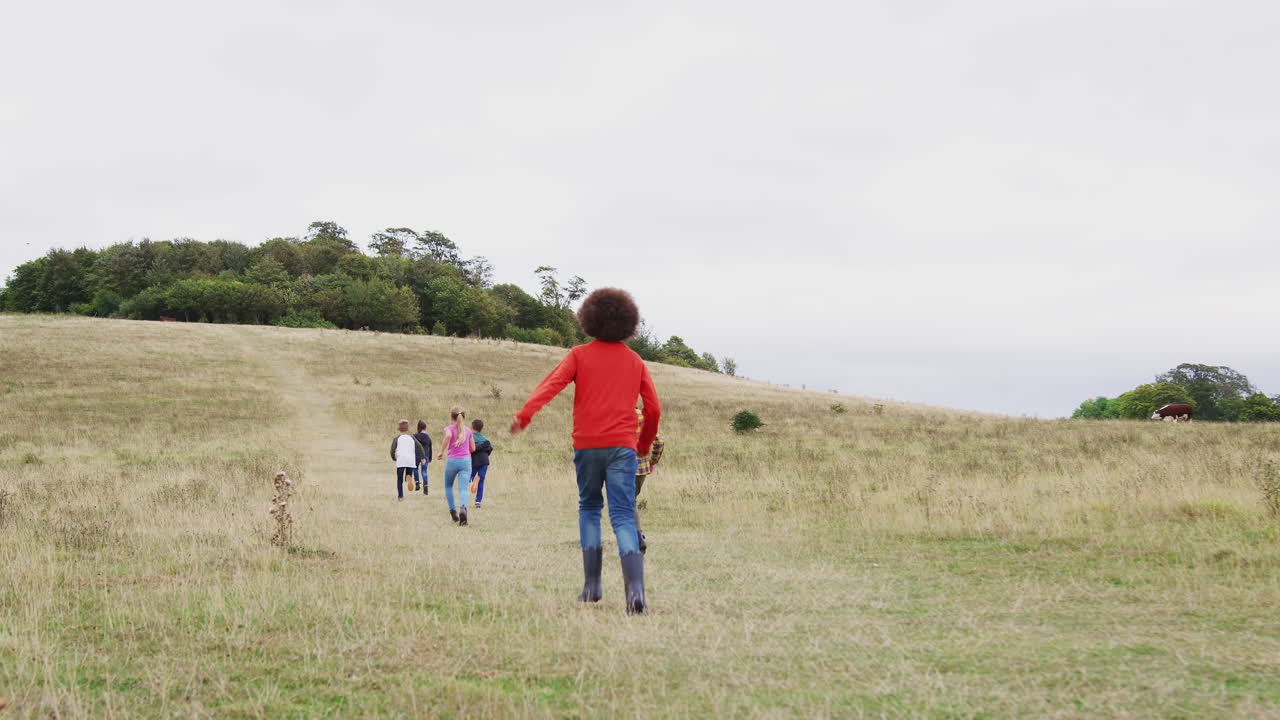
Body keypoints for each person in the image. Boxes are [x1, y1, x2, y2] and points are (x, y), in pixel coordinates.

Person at [510, 287, 661, 615]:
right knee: (622, 515)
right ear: (628, 323)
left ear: (588, 318)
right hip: (623, 448)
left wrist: (525, 414)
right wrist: (644, 445)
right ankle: (635, 592)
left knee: (590, 508)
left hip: (588, 446)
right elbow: (654, 409)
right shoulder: (635, 361)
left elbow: (551, 385)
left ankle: (592, 586)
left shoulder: (579, 355)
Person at [634, 408, 665, 554]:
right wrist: (652, 461)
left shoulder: (616, 416)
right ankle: (636, 535)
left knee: (626, 502)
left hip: (620, 466)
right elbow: (659, 442)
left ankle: (637, 536)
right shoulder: (645, 418)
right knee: (630, 500)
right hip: (641, 469)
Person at [438, 405, 475, 525]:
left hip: (452, 460)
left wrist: (441, 451)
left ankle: (453, 512)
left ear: (451, 417)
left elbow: (448, 436)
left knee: (448, 486)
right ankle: (463, 508)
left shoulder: (449, 428)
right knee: (463, 489)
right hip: (466, 461)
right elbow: (473, 448)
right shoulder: (468, 430)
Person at [389, 419, 426, 502]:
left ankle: (401, 496)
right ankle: (409, 477)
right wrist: (423, 457)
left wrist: (394, 458)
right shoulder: (412, 437)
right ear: (408, 429)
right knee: (408, 474)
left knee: (399, 479)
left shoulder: (397, 438)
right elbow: (419, 447)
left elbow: (392, 450)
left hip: (401, 460)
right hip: (410, 460)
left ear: (398, 429)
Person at [470, 419, 494, 508]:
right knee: (481, 480)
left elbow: (468, 449)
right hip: (484, 461)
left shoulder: (470, 437)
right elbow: (490, 449)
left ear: (471, 427)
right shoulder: (486, 440)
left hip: (474, 461)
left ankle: (472, 482)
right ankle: (478, 501)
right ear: (482, 429)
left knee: (469, 477)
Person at [413, 420, 433, 496]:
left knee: (415, 468)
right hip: (425, 456)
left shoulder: (415, 436)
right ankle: (425, 486)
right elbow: (430, 448)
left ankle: (417, 482)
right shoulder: (428, 437)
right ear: (425, 428)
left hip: (417, 455)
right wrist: (430, 458)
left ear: (418, 427)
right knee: (424, 471)